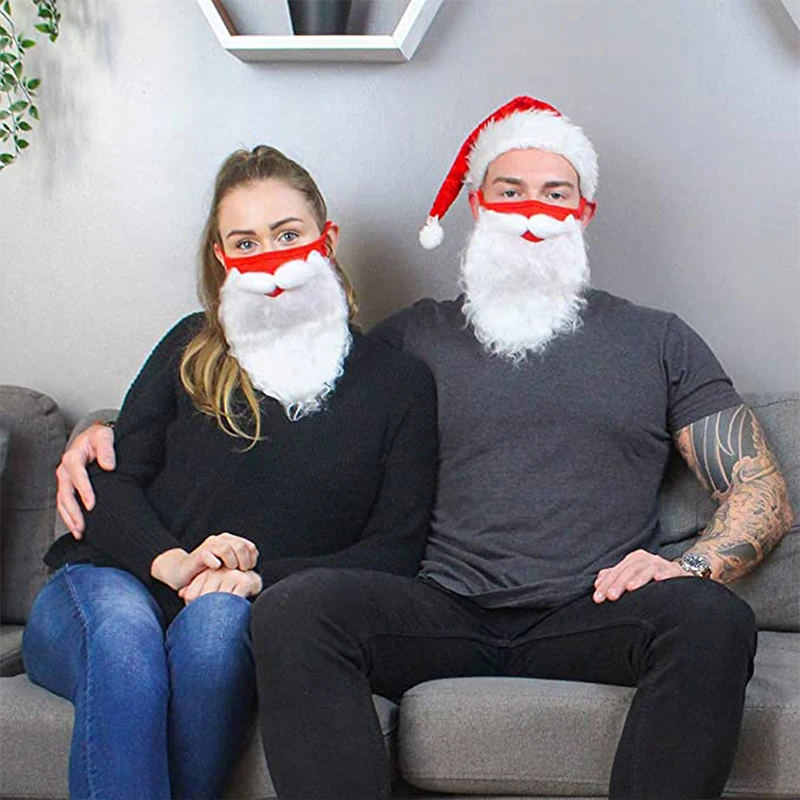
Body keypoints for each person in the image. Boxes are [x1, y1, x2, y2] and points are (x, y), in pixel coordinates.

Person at [57, 97, 793, 800]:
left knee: (714, 619)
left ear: (585, 212)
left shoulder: (656, 340)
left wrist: (687, 566)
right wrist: (109, 435)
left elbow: (759, 489)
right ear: (477, 205)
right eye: (509, 191)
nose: (532, 212)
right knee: (296, 609)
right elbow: (289, 384)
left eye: (555, 193)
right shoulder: (411, 341)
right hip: (436, 608)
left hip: (595, 608)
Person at [24, 145, 437, 800]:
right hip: (107, 584)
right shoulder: (190, 346)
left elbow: (394, 550)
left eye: (287, 234)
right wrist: (174, 562)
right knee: (125, 640)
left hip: (235, 605)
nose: (270, 258)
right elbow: (109, 482)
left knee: (217, 629)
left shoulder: (398, 383)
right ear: (222, 258)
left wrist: (253, 577)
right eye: (245, 242)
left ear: (327, 240)